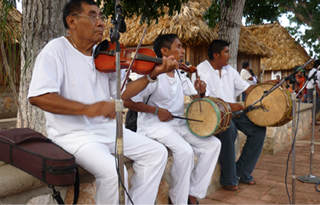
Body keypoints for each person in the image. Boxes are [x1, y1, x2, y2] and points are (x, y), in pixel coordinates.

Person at [27, 0, 179, 204]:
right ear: (72, 21)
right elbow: (39, 97)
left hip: (105, 130)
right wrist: (89, 109)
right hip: (73, 135)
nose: (100, 23)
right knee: (115, 171)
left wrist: (152, 75)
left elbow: (123, 93)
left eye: (100, 17)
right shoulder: (55, 50)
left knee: (156, 152)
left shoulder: (105, 53)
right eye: (92, 16)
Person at [124, 34, 221, 204]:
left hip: (177, 123)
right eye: (179, 46)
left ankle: (193, 191)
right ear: (164, 51)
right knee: (185, 151)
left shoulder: (180, 73)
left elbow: (195, 98)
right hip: (154, 125)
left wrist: (202, 92)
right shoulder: (152, 74)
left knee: (213, 144)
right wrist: (155, 110)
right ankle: (179, 200)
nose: (183, 51)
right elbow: (127, 101)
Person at [192, 40, 266, 191]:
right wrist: (234, 107)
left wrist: (267, 86)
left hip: (233, 112)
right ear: (216, 55)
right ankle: (229, 179)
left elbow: (247, 89)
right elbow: (207, 100)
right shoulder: (202, 70)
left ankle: (242, 172)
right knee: (229, 129)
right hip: (213, 115)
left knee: (258, 130)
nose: (229, 55)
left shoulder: (230, 70)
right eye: (226, 52)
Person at [306, 60, 320, 125]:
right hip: (313, 90)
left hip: (316, 90)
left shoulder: (318, 72)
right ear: (317, 65)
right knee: (316, 104)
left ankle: (314, 120)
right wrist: (318, 90)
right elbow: (314, 82)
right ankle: (312, 120)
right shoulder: (313, 71)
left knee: (318, 104)